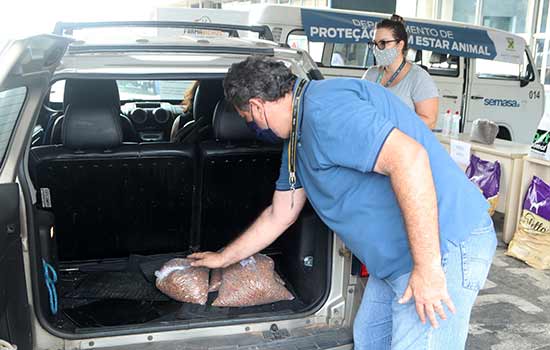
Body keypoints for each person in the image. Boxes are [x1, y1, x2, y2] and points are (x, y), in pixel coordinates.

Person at [188, 56, 496, 350]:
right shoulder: (296, 136)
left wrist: (427, 268)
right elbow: (280, 214)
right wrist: (224, 257)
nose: (255, 128)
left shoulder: (326, 110)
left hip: (444, 246)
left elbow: (410, 159)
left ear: (257, 105)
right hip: (396, 261)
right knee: (370, 338)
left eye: (248, 119)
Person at [363, 14, 439, 129]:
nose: (377, 49)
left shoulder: (418, 78)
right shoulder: (371, 74)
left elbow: (430, 121)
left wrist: (392, 125)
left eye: (383, 43)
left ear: (399, 45)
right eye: (374, 44)